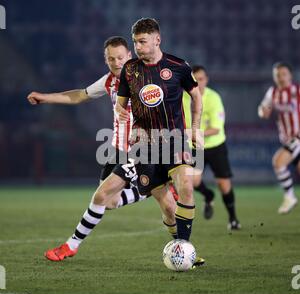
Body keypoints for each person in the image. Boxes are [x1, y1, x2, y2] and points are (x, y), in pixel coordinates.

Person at [28, 36, 177, 261]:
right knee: (113, 202)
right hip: (119, 150)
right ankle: (150, 191)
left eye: (120, 57)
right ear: (105, 60)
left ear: (129, 56)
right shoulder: (110, 81)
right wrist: (45, 98)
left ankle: (71, 245)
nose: (116, 63)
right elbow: (80, 95)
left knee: (101, 196)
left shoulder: (146, 80)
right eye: (111, 59)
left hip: (142, 150)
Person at [115, 18, 203, 244]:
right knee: (168, 207)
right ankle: (178, 242)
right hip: (143, 145)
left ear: (157, 40)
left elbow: (196, 96)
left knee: (186, 187)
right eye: (135, 42)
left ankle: (183, 248)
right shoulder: (130, 69)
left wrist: (194, 129)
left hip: (175, 139)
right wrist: (120, 112)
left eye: (143, 42)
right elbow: (120, 103)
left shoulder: (178, 66)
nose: (138, 47)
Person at [183, 65, 241, 230]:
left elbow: (216, 128)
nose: (198, 83)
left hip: (215, 145)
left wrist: (193, 133)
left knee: (224, 184)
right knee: (193, 181)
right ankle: (208, 195)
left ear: (206, 80)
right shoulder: (183, 98)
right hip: (195, 146)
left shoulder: (213, 98)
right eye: (194, 80)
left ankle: (233, 219)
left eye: (201, 79)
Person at [258, 62, 300, 214]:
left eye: (283, 74)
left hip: (297, 137)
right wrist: (263, 112)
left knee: (278, 162)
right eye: (277, 75)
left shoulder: (297, 90)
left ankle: (289, 197)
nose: (281, 78)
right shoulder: (273, 92)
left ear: (290, 75)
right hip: (287, 139)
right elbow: (263, 109)